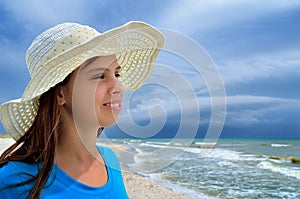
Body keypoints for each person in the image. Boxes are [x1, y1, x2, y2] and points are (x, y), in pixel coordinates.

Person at [0, 21, 164, 198]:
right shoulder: (13, 180)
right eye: (100, 76)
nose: (118, 86)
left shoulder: (110, 160)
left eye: (117, 74)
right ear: (60, 94)